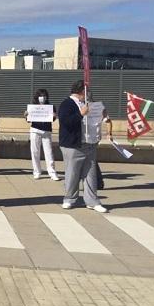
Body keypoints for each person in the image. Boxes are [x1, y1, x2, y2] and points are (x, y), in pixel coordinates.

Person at [58, 80, 107, 213]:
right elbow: (66, 122)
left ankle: (92, 201)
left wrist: (102, 116)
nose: (89, 94)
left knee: (90, 174)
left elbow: (94, 121)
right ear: (81, 92)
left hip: (90, 143)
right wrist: (80, 114)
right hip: (73, 145)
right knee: (72, 174)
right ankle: (69, 199)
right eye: (87, 91)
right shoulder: (67, 104)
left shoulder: (89, 104)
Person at [25, 89, 60, 181]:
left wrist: (54, 116)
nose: (42, 98)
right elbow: (28, 120)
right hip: (35, 130)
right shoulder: (33, 107)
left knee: (49, 152)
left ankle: (52, 172)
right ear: (37, 97)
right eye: (41, 96)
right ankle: (36, 171)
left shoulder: (51, 107)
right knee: (35, 152)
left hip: (46, 131)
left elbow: (52, 119)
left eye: (44, 96)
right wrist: (26, 115)